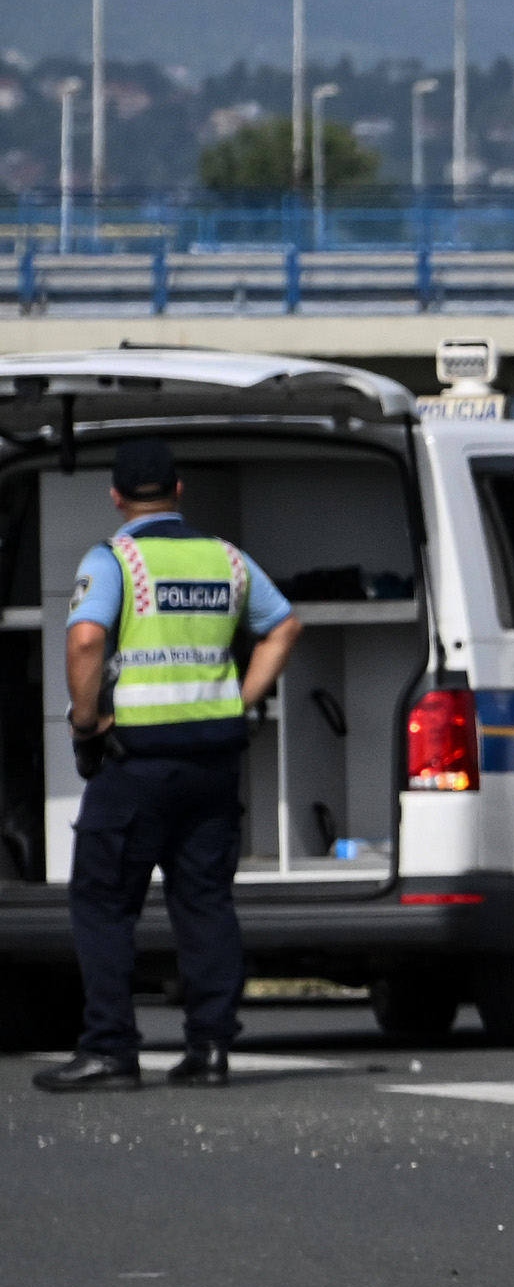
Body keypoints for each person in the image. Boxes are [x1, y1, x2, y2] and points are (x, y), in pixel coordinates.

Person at [33, 441, 301, 1093]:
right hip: (213, 762)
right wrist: (238, 700)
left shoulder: (114, 559)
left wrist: (87, 723)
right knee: (204, 901)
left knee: (102, 900)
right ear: (179, 491)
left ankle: (110, 1049)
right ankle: (209, 1048)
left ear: (116, 497)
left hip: (137, 764)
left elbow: (87, 639)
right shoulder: (227, 559)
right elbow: (284, 627)